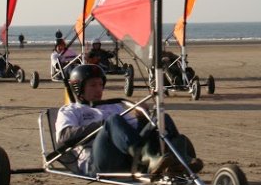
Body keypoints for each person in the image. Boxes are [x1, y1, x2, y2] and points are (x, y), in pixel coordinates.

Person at [55, 64, 201, 176]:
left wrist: (142, 118)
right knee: (113, 121)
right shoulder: (70, 110)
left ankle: (181, 159)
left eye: (100, 85)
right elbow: (64, 137)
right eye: (93, 85)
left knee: (160, 118)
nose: (99, 90)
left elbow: (134, 132)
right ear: (78, 88)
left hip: (127, 158)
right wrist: (102, 125)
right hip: (97, 160)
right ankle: (148, 158)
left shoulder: (114, 106)